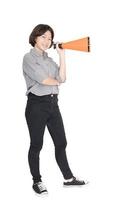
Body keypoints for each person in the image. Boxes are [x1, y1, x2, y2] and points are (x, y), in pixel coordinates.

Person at [22, 24, 87, 196]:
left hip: (53, 104)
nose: (47, 41)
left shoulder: (50, 60)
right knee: (37, 145)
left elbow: (62, 78)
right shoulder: (28, 58)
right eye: (43, 36)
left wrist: (62, 56)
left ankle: (68, 179)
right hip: (36, 106)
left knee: (61, 142)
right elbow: (45, 80)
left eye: (49, 38)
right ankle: (37, 181)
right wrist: (57, 81)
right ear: (35, 37)